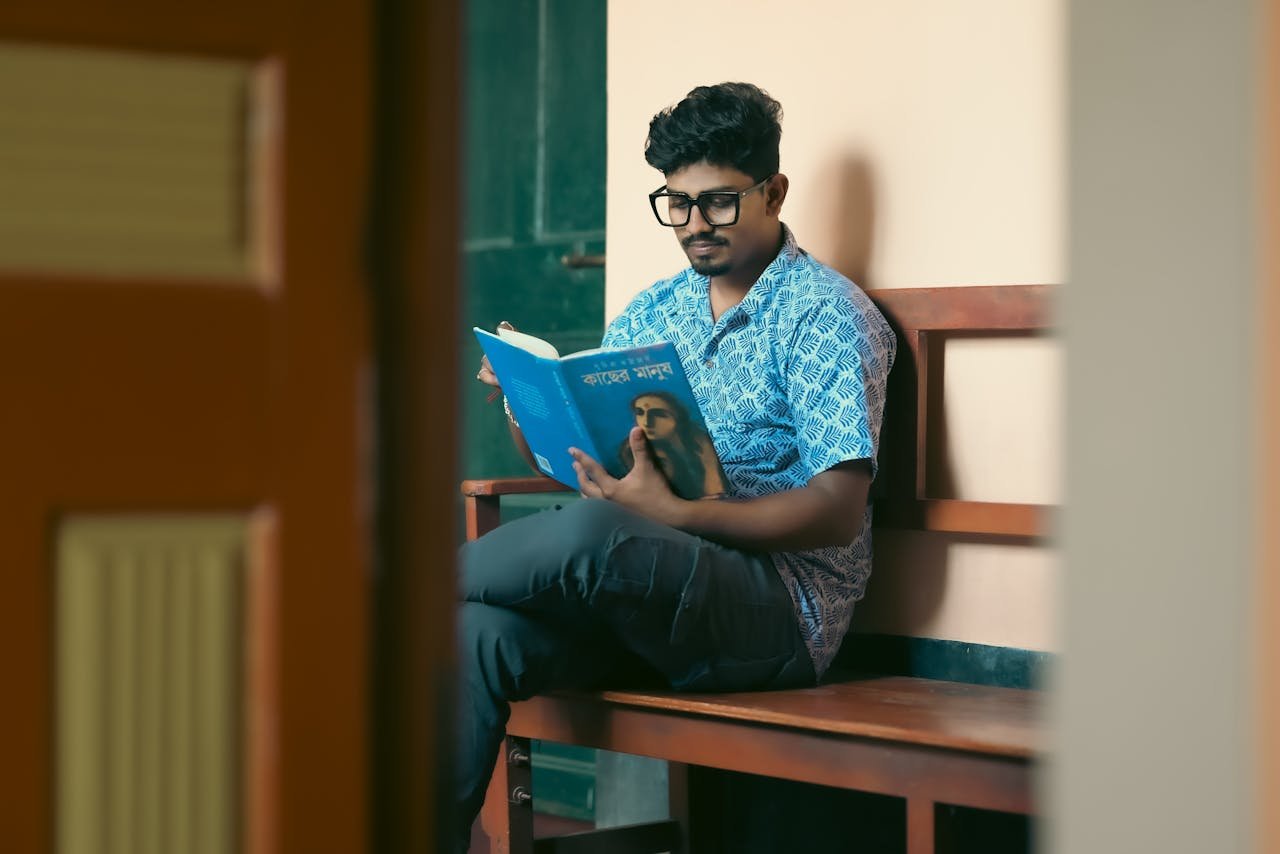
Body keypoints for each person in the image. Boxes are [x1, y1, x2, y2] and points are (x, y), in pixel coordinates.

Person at [460, 81, 896, 851]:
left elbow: (838, 509)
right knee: (476, 634)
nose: (695, 226)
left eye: (719, 202)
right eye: (677, 203)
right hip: (650, 592)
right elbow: (580, 466)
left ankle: (381, 606)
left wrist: (676, 513)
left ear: (774, 191)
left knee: (593, 529)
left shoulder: (827, 314)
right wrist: (525, 401)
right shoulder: (657, 309)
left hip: (775, 611)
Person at [618, 390, 726, 499]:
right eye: (640, 413)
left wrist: (709, 464)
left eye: (658, 414)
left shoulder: (701, 443)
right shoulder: (634, 448)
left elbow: (715, 494)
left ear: (678, 417)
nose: (646, 422)